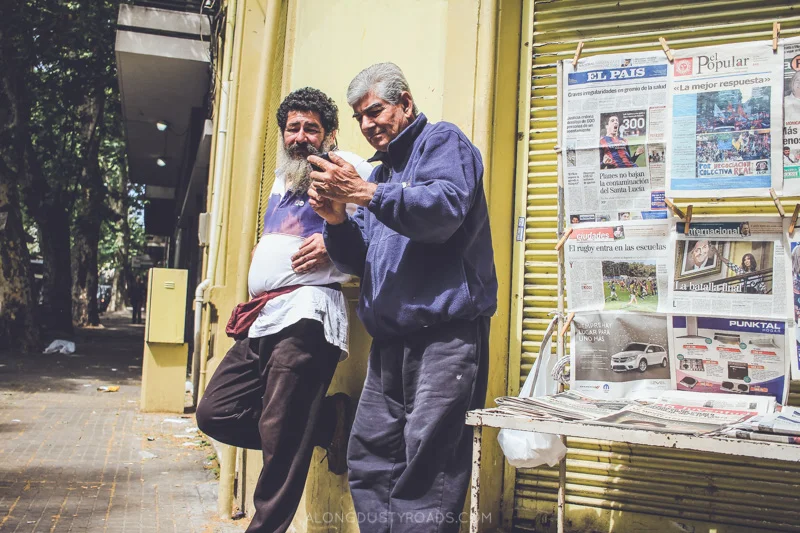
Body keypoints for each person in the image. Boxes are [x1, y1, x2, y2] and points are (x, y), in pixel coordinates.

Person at [307, 63, 497, 533]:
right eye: (360, 118)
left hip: (444, 339)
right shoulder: (381, 173)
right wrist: (336, 220)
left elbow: (444, 211)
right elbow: (362, 258)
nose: (368, 124)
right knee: (371, 459)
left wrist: (366, 193)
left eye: (376, 111)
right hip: (390, 342)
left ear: (405, 103)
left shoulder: (443, 143)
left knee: (428, 468)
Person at [196, 87, 373, 533]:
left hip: (307, 315)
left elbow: (380, 221)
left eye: (310, 128)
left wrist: (335, 244)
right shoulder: (284, 177)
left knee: (279, 431)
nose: (299, 136)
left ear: (330, 134)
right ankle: (326, 424)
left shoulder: (347, 165)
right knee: (215, 411)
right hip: (265, 315)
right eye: (292, 128)